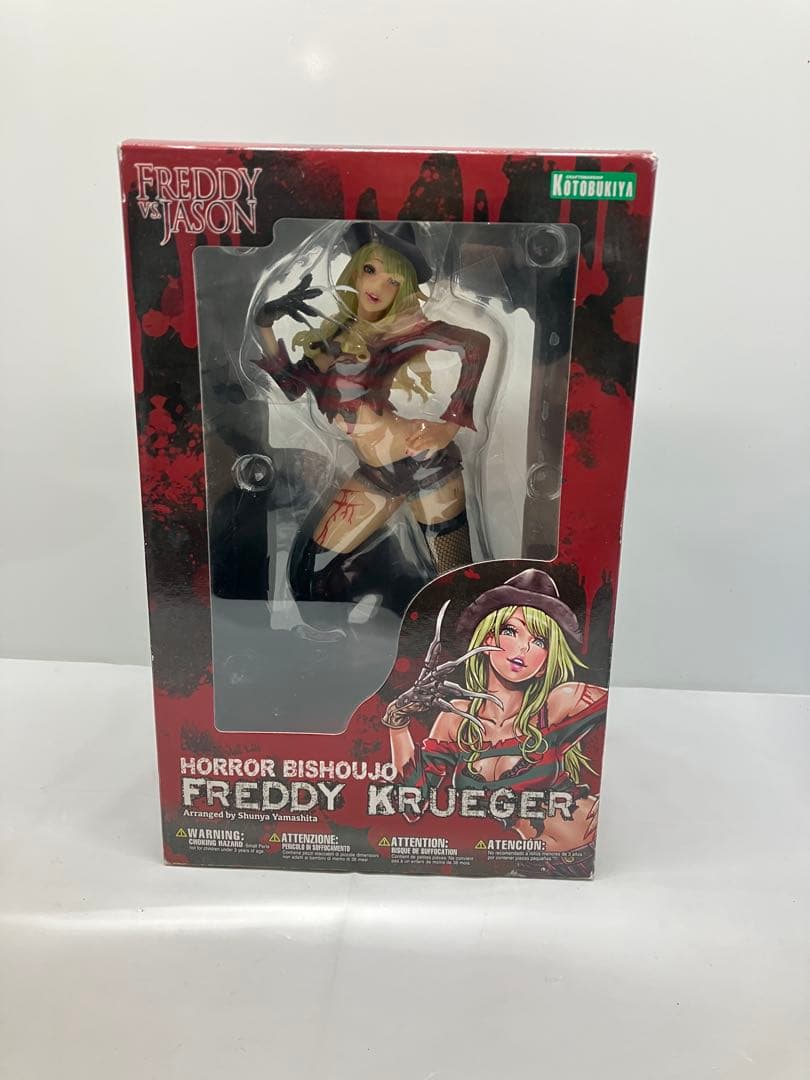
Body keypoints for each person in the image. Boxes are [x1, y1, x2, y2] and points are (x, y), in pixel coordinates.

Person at [251, 222, 489, 622]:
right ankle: (384, 600)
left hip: (427, 466)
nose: (378, 285)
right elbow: (292, 386)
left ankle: (459, 639)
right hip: (376, 474)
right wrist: (264, 323)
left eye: (393, 281)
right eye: (371, 270)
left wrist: (449, 424)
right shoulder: (334, 338)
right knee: (311, 573)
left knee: (455, 580)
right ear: (355, 270)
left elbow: (475, 345)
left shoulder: (400, 332)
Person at [383, 569, 607, 852]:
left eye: (539, 641)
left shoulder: (559, 703)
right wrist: (397, 721)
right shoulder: (456, 720)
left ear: (545, 662)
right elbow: (410, 804)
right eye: (511, 631)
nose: (523, 648)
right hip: (520, 864)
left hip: (583, 849)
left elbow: (628, 710)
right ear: (487, 639)